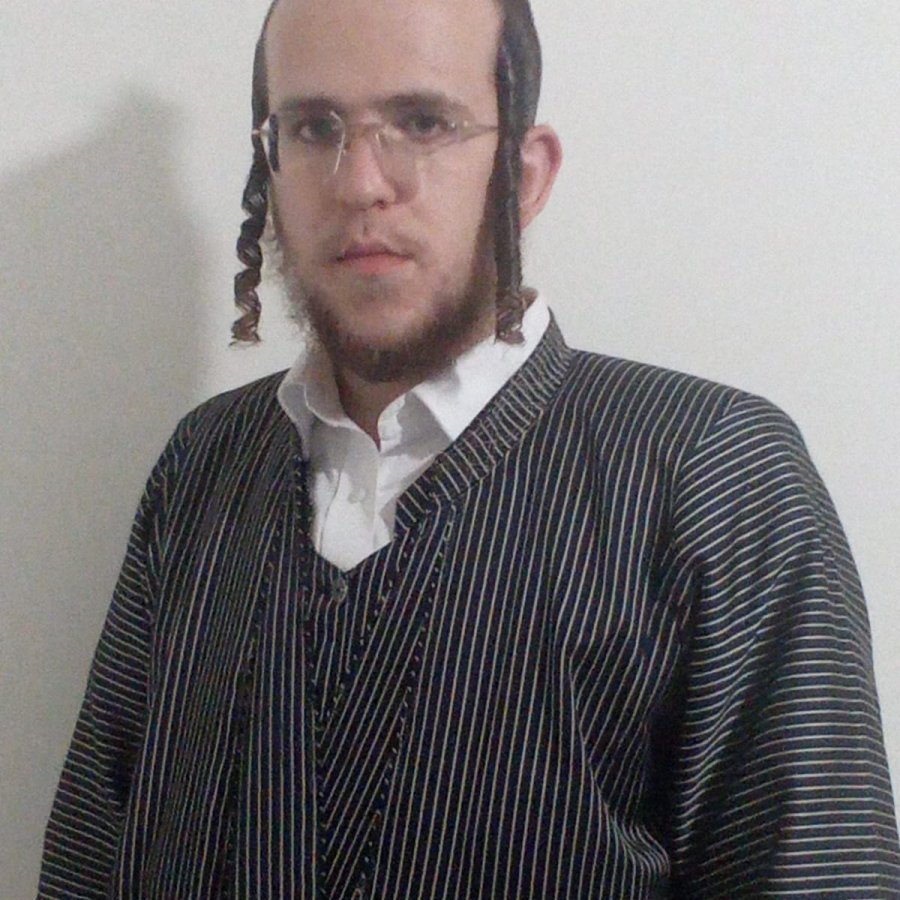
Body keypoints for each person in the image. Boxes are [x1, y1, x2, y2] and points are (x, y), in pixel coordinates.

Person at [39, 0, 900, 896]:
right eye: (315, 127)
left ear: (525, 173)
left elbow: (813, 875)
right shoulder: (204, 465)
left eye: (422, 122)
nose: (359, 182)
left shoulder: (714, 474)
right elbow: (91, 857)